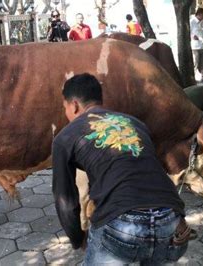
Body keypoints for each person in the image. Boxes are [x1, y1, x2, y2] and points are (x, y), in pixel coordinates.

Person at [52, 73, 190, 264]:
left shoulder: (65, 137)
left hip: (123, 225)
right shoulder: (136, 124)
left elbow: (65, 201)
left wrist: (78, 239)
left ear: (73, 105)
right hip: (172, 221)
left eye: (65, 107)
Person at [190, 7, 203, 82]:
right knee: (196, 62)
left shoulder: (202, 22)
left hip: (202, 45)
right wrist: (192, 36)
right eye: (202, 15)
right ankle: (193, 78)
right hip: (195, 46)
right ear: (199, 14)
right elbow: (188, 32)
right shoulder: (192, 21)